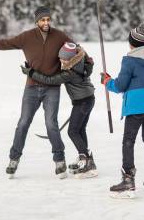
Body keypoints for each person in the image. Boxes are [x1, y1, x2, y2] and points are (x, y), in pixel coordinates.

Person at [0, 6, 72, 179]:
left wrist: (85, 60)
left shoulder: (59, 36)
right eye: (42, 20)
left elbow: (75, 48)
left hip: (52, 88)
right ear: (36, 21)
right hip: (32, 87)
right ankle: (13, 159)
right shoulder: (27, 37)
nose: (46, 23)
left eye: (48, 19)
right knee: (23, 123)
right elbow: (5, 43)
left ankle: (60, 160)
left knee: (51, 123)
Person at [101, 23, 144, 198]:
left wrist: (107, 82)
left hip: (138, 105)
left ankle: (128, 180)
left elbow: (121, 85)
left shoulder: (129, 60)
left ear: (132, 43)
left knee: (128, 140)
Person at [20, 42, 97, 179]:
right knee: (80, 130)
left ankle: (88, 163)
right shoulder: (81, 58)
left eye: (63, 59)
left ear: (69, 59)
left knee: (72, 131)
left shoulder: (70, 72)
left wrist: (31, 73)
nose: (60, 61)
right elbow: (88, 61)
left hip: (83, 102)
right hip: (88, 99)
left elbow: (50, 80)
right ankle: (84, 158)